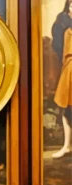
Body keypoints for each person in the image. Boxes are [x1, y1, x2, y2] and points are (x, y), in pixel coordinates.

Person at [51, 0, 72, 158]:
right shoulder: (64, 26)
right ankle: (66, 146)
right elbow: (59, 48)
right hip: (69, 68)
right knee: (66, 109)